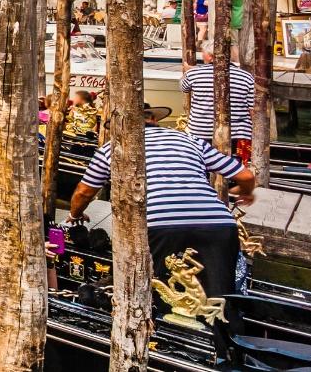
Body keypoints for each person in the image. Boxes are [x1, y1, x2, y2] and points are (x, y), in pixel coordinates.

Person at [69, 103, 255, 301]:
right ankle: (225, 328)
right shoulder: (190, 140)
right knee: (220, 293)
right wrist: (244, 192)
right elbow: (245, 176)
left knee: (160, 291)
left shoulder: (112, 148)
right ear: (153, 119)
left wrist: (75, 215)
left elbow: (83, 193)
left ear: (119, 128)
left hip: (159, 225)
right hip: (218, 224)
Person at [180, 46, 256, 161]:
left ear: (210, 56)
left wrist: (188, 71)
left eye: (203, 53)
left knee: (202, 165)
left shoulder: (194, 74)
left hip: (200, 133)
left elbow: (183, 87)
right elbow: (252, 110)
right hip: (239, 134)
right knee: (238, 169)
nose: (202, 55)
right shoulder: (246, 77)